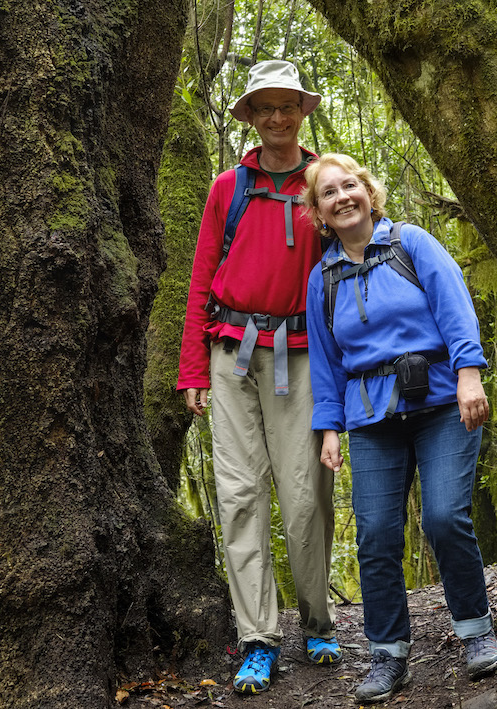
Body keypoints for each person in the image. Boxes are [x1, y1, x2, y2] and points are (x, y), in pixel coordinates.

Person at [303, 153, 497, 704]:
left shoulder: (411, 244)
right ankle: (388, 655)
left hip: (442, 404)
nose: (342, 197)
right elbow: (325, 364)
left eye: (350, 186)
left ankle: (476, 631)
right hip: (371, 418)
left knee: (443, 517)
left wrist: (469, 376)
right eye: (329, 193)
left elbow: (455, 308)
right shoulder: (322, 278)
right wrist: (329, 430)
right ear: (318, 211)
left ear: (369, 192)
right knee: (375, 534)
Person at [177, 61, 340, 696]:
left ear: (303, 111)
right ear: (251, 116)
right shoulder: (228, 187)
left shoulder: (325, 182)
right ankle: (257, 637)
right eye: (265, 108)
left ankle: (319, 621)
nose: (277, 118)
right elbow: (200, 279)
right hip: (231, 357)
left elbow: (350, 265)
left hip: (302, 354)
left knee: (305, 497)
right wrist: (193, 368)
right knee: (239, 495)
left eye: (287, 106)